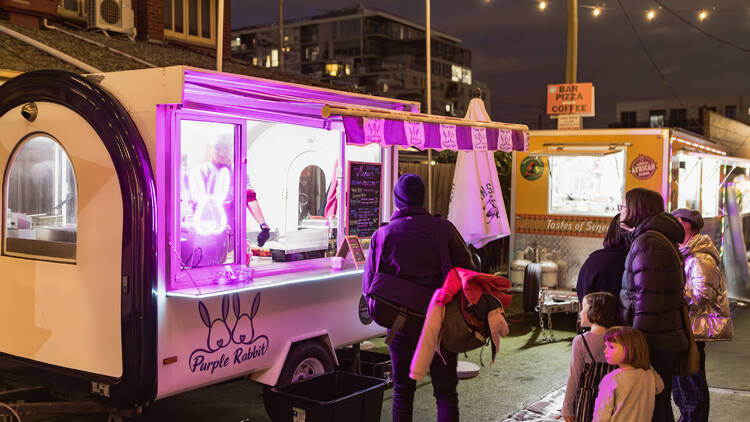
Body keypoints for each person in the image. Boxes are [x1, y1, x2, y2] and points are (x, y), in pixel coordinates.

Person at [363, 173, 474, 422]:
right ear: (423, 199)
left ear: (397, 200)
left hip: (400, 325)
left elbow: (369, 286)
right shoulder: (443, 229)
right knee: (446, 392)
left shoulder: (383, 235)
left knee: (403, 392)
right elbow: (468, 272)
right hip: (443, 323)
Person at [618, 188, 688, 422]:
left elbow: (649, 300)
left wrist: (638, 346)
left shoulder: (649, 243)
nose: (621, 210)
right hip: (664, 337)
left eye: (624, 206)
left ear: (637, 209)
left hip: (654, 341)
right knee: (658, 402)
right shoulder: (655, 237)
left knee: (652, 406)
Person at [671, 208, 733, 422]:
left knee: (689, 384)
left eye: (675, 220)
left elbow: (701, 294)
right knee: (683, 383)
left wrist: (674, 294)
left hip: (693, 331)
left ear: (686, 224)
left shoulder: (699, 257)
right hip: (687, 328)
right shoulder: (688, 252)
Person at [559, 292, 619, 422]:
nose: (580, 313)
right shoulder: (619, 338)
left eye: (583, 308)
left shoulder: (580, 341)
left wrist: (567, 408)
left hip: (586, 403)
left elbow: (573, 377)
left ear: (595, 312)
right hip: (611, 401)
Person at [592, 326, 664, 422]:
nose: (605, 351)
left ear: (630, 349)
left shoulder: (611, 380)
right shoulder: (649, 375)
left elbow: (600, 417)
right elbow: (660, 387)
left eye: (611, 346)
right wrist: (647, 365)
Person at [576, 214, 628, 303]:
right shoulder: (633, 262)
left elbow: (582, 296)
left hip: (592, 315)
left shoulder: (593, 260)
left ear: (610, 231)